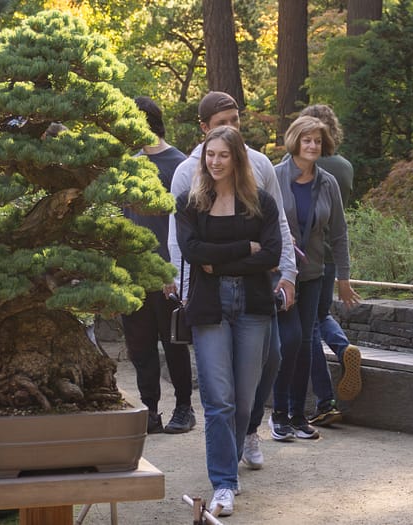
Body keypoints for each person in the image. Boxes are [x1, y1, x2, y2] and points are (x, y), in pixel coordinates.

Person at [167, 91, 297, 470]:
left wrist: (287, 273)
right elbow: (185, 243)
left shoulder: (260, 168)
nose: (230, 129)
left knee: (267, 364)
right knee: (219, 397)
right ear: (205, 129)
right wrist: (185, 282)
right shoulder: (186, 178)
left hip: (258, 296)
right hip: (209, 298)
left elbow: (277, 235)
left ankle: (249, 428)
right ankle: (226, 472)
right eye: (222, 124)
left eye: (235, 121)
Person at [174, 125, 282, 517]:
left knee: (244, 398)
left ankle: (231, 460)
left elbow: (270, 254)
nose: (215, 162)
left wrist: (216, 260)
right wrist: (242, 248)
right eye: (209, 154)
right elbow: (190, 250)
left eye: (222, 154)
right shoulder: (192, 203)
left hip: (253, 304)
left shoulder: (262, 203)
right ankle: (224, 482)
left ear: (237, 157)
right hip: (209, 307)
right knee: (219, 400)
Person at [269, 115, 360, 442]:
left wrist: (344, 278)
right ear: (295, 141)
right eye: (307, 140)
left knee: (306, 345)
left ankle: (297, 415)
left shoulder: (328, 183)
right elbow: (259, 220)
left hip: (313, 274)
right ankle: (278, 414)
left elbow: (339, 234)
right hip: (279, 275)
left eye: (317, 141)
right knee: (289, 341)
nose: (312, 146)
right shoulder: (275, 176)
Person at [121, 96, 196, 434]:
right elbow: (123, 219)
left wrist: (174, 272)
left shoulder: (179, 164)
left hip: (168, 274)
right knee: (140, 346)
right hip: (133, 274)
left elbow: (185, 224)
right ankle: (150, 409)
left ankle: (184, 407)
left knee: (174, 343)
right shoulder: (128, 165)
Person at [299, 104, 362, 426]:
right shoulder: (345, 167)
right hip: (329, 258)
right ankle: (343, 346)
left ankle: (324, 401)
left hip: (303, 259)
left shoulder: (299, 167)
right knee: (321, 315)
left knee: (308, 327)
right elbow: (339, 226)